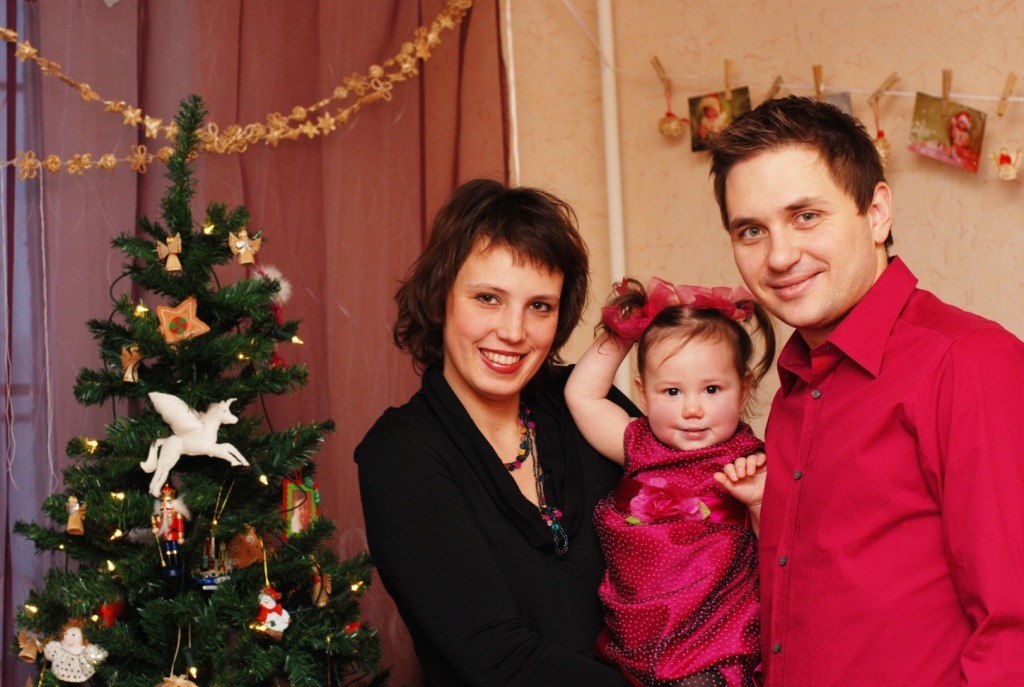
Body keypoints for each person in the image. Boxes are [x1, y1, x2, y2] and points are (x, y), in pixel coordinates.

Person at [705, 95, 1024, 685]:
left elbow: (1014, 628)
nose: (780, 256)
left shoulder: (967, 361)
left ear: (876, 213)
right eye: (751, 231)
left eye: (806, 216)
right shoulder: (795, 382)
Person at [355, 178, 637, 686]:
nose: (512, 331)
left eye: (539, 306)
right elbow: (497, 659)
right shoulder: (399, 454)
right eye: (488, 298)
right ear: (440, 298)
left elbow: (698, 491)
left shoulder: (588, 402)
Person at [565, 277, 776, 687]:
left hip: (715, 645)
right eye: (672, 392)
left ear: (743, 388)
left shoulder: (749, 461)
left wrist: (756, 502)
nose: (692, 409)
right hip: (639, 640)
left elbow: (780, 553)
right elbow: (582, 396)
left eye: (711, 389)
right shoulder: (637, 442)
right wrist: (623, 333)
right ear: (644, 394)